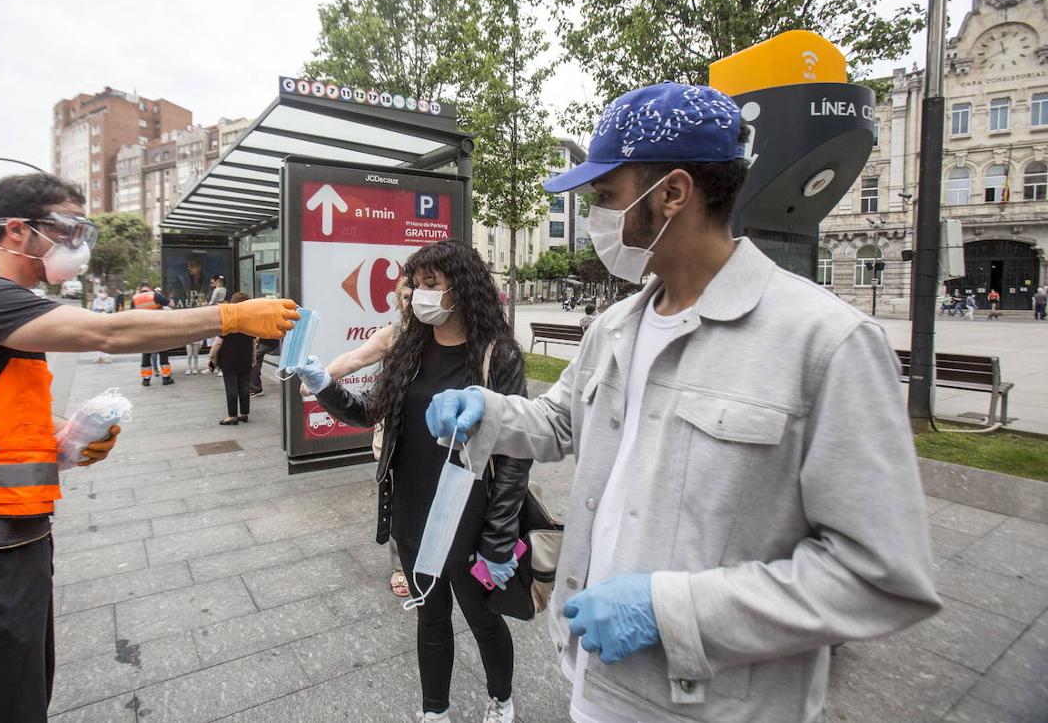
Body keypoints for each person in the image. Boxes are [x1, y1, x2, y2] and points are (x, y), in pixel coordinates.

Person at [426, 83, 940, 723]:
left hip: (711, 707)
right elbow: (561, 422)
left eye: (607, 198)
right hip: (592, 682)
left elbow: (880, 575)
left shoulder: (825, 343)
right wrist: (489, 410)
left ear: (672, 193)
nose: (598, 219)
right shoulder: (617, 325)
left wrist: (672, 612)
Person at [0, 172, 298, 723]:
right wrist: (230, 317)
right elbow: (108, 334)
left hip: (1, 537)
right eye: (70, 228)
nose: (79, 244)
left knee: (23, 697)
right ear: (18, 231)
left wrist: (63, 436)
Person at [293, 240, 530, 723]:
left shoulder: (496, 355)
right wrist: (323, 384)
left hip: (470, 511)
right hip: (413, 506)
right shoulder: (410, 348)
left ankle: (502, 699)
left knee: (482, 617)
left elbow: (515, 453)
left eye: (430, 286)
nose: (418, 296)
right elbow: (368, 413)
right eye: (415, 286)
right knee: (430, 615)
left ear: (461, 291)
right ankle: (434, 711)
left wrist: (500, 537)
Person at [303, 276, 414, 597]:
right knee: (400, 505)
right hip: (397, 438)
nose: (413, 302)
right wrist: (322, 379)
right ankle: (400, 567)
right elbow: (354, 358)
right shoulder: (394, 335)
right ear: (398, 301)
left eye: (419, 294)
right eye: (406, 296)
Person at [209, 291, 255, 424]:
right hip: (245, 359)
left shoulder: (228, 321)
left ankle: (232, 416)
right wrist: (253, 358)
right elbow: (253, 342)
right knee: (244, 387)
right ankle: (244, 413)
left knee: (231, 387)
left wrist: (211, 357)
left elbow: (218, 342)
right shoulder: (250, 322)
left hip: (229, 361)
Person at [133, 282, 174, 386]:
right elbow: (171, 304)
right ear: (149, 288)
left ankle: (146, 379)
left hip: (144, 331)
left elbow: (132, 314)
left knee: (146, 355)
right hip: (158, 329)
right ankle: (166, 378)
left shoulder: (135, 299)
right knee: (163, 353)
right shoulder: (155, 295)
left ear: (140, 288)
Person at [203, 276, 228, 374]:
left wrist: (206, 306)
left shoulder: (216, 290)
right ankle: (216, 367)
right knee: (217, 343)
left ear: (218, 282)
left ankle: (214, 366)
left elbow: (212, 301)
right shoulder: (224, 290)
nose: (212, 284)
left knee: (215, 343)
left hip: (213, 314)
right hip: (220, 313)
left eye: (214, 282)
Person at [90, 288, 116, 362]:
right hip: (98, 321)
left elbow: (110, 308)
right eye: (101, 292)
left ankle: (107, 356)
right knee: (98, 339)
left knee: (107, 339)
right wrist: (102, 308)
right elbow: (94, 308)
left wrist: (101, 308)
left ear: (107, 293)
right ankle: (99, 356)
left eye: (104, 292)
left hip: (108, 321)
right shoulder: (96, 300)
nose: (102, 294)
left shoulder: (111, 299)